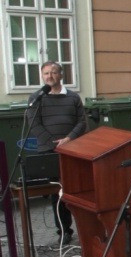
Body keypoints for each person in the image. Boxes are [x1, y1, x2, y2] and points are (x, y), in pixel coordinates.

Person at [26, 61, 87, 243]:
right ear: (42, 76)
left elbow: (82, 122)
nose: (49, 76)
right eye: (46, 73)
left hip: (73, 150)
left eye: (53, 72)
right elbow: (35, 125)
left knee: (77, 190)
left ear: (61, 75)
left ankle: (86, 229)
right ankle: (64, 231)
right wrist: (55, 144)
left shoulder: (73, 97)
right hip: (49, 152)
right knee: (57, 193)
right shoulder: (36, 98)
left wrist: (68, 139)